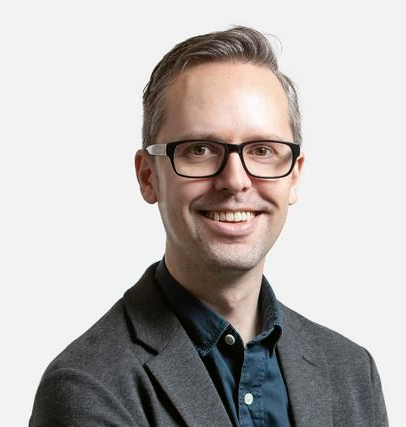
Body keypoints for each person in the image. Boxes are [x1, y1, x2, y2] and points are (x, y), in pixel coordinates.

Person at [30, 26, 388, 426]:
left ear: (294, 176)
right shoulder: (88, 386)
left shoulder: (352, 372)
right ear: (148, 176)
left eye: (262, 150)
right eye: (200, 149)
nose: (235, 180)